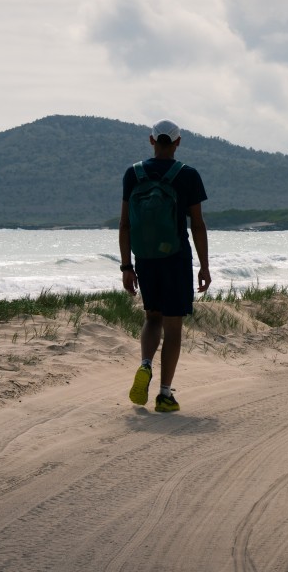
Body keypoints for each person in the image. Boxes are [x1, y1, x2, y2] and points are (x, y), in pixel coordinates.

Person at [119, 119, 211, 412]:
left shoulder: (133, 174)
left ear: (151, 140)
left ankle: (145, 363)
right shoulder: (188, 175)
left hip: (145, 259)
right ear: (178, 142)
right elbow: (197, 225)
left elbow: (124, 226)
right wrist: (204, 266)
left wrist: (126, 267)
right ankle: (164, 394)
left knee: (151, 318)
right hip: (176, 259)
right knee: (173, 328)